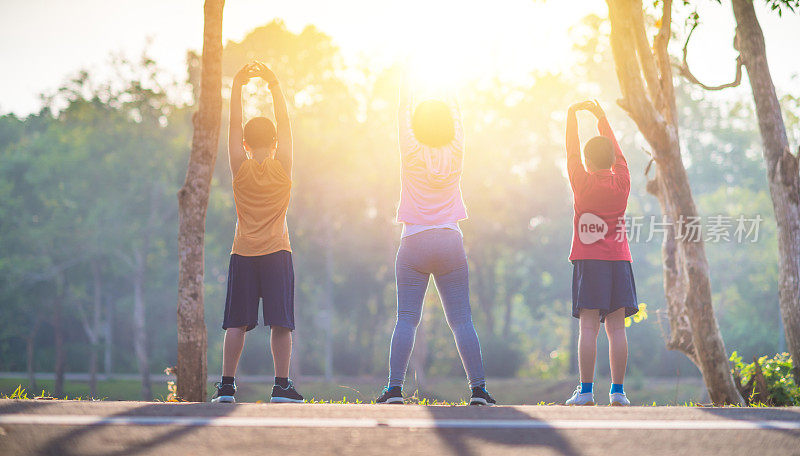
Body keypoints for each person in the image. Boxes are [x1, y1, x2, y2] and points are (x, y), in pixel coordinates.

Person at [375, 73, 495, 406]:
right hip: (450, 241)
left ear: (416, 124)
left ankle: (394, 390)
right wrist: (448, 82)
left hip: (413, 242)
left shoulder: (411, 151)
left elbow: (402, 108)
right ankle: (479, 390)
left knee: (406, 319)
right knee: (462, 320)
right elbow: (456, 112)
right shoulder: (456, 149)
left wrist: (406, 76)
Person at [211, 62, 304, 404]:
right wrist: (274, 84)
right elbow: (287, 125)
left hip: (244, 252)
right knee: (281, 323)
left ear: (246, 145)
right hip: (278, 252)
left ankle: (226, 386)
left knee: (236, 322)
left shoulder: (239, 166)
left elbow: (233, 126)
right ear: (277, 142)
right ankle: (281, 386)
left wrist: (236, 85)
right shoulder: (284, 166)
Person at [564, 100, 638, 407]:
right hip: (619, 260)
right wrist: (602, 119)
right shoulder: (622, 181)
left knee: (588, 327)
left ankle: (585, 392)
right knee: (617, 329)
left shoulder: (581, 182)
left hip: (589, 261)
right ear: (612, 159)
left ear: (587, 162)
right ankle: (618, 392)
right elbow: (618, 152)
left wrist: (572, 118)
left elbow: (571, 152)